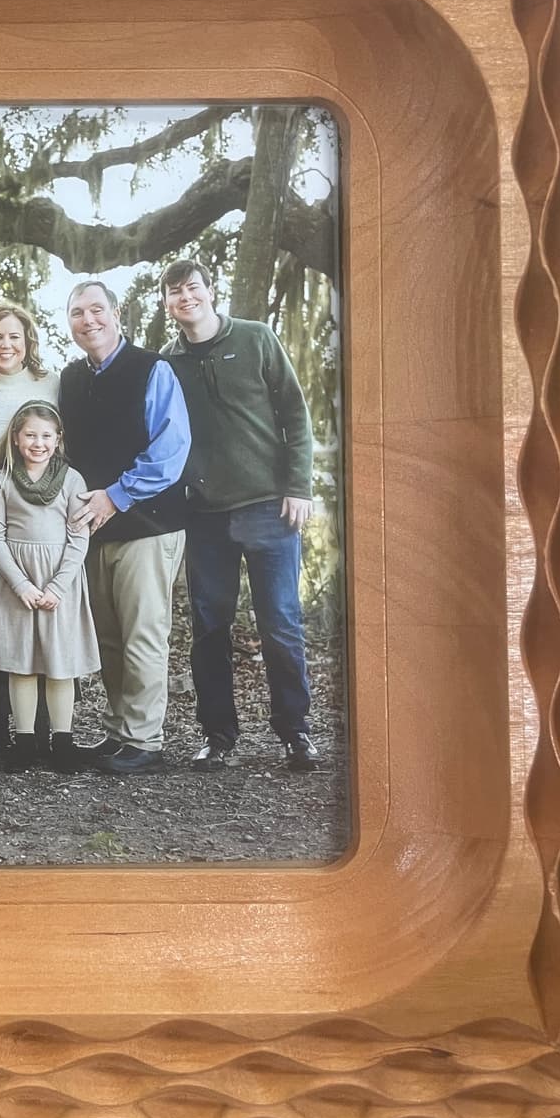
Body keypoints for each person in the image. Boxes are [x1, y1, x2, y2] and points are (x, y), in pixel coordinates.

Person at [162, 258, 321, 772]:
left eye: (192, 287)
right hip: (205, 517)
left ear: (211, 290)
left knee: (281, 623)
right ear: (167, 304)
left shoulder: (256, 338)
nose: (185, 297)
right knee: (209, 628)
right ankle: (218, 736)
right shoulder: (167, 363)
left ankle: (295, 733)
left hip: (270, 507)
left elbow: (294, 413)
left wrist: (298, 487)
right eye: (175, 292)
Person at [56, 278, 191, 774]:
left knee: (143, 634)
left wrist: (116, 495)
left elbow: (170, 451)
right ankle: (119, 732)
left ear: (116, 314)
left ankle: (144, 740)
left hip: (148, 526)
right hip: (93, 530)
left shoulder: (152, 369)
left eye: (97, 309)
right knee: (109, 636)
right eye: (77, 313)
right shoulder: (71, 379)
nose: (88, 320)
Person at [0, 302, 61, 761]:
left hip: (42, 523)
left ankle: (42, 728)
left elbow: (63, 447)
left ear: (28, 341)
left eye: (14, 337)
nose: (6, 345)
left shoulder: (50, 384)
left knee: (41, 621)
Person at [0, 401, 100, 773]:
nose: (38, 443)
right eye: (30, 435)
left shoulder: (72, 480)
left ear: (58, 439)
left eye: (46, 436)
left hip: (58, 583)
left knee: (60, 664)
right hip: (16, 583)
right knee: (21, 664)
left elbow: (79, 539)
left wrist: (57, 587)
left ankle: (62, 743)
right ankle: (25, 743)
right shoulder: (1, 481)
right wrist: (21, 585)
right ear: (16, 439)